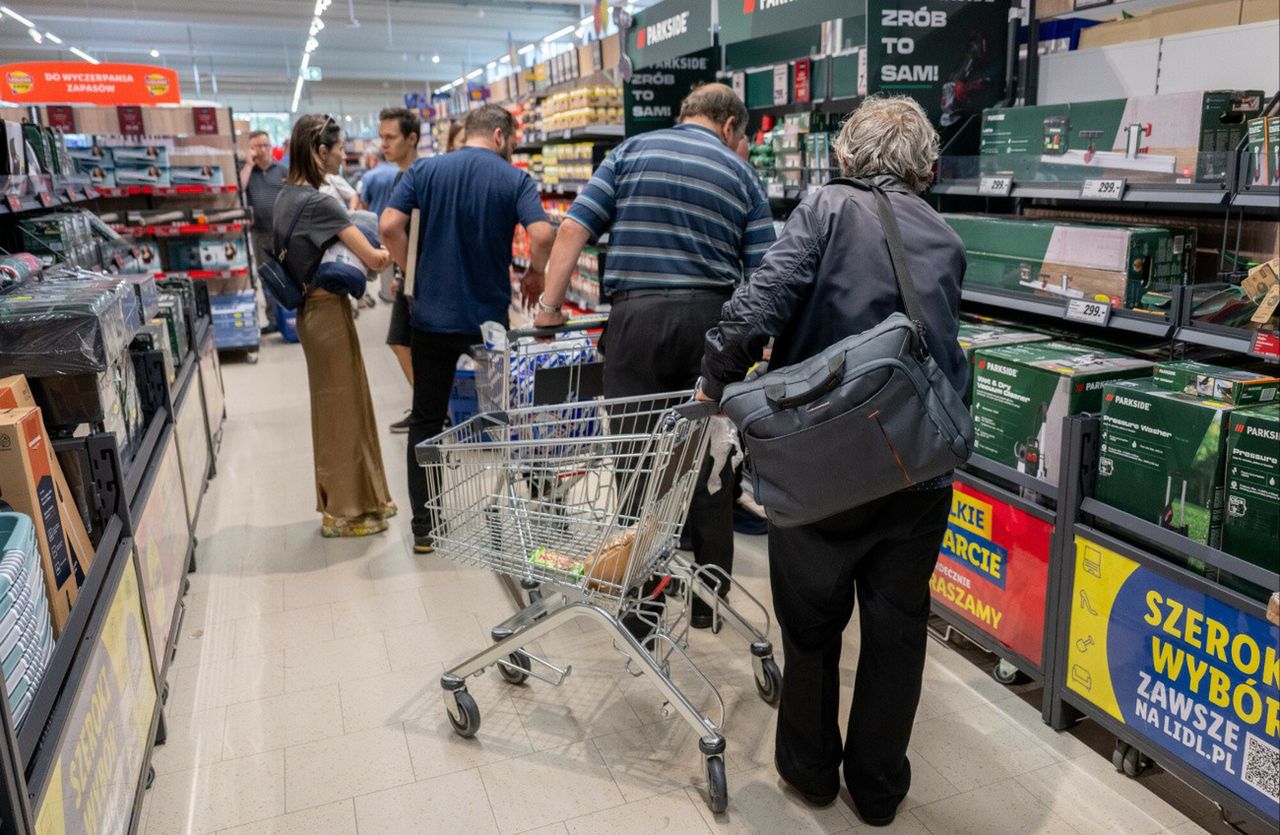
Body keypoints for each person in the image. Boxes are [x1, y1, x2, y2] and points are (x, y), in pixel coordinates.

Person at [696, 95, 967, 826]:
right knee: (897, 627)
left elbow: (758, 307)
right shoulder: (945, 234)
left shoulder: (824, 207)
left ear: (843, 159)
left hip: (822, 463)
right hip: (916, 467)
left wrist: (714, 380)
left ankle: (810, 771)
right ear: (928, 169)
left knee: (811, 625)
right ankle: (878, 788)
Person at [533, 83, 775, 629]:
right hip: (714, 329)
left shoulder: (630, 152)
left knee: (637, 465)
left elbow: (571, 228)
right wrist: (759, 345)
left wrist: (549, 307)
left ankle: (642, 603)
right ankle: (708, 607)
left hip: (636, 322)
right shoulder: (741, 174)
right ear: (732, 126)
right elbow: (765, 272)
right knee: (711, 465)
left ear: (685, 115)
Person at [381, 104, 554, 553]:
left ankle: (425, 526)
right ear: (499, 135)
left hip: (431, 318)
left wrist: (412, 270)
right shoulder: (513, 178)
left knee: (425, 419)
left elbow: (388, 225)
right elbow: (542, 234)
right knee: (511, 412)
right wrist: (535, 274)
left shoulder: (425, 171)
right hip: (488, 321)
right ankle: (535, 494)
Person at [274, 114, 397, 538]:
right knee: (345, 413)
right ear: (318, 151)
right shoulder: (320, 203)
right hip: (329, 315)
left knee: (335, 412)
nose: (345, 156)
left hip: (311, 313)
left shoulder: (286, 195)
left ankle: (354, 504)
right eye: (339, 148)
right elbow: (375, 258)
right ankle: (347, 513)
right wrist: (397, 244)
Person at [359, 107, 422, 432]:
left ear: (411, 138)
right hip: (408, 275)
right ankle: (427, 407)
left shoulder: (422, 175)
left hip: (419, 277)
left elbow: (400, 230)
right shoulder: (402, 176)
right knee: (402, 341)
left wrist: (408, 272)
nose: (383, 144)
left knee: (405, 341)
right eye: (381, 137)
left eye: (390, 137)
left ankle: (430, 411)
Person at [241, 129, 286, 334]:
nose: (263, 149)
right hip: (259, 234)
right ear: (251, 149)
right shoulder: (247, 172)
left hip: (283, 233)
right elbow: (238, 189)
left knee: (287, 276)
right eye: (257, 146)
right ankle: (274, 320)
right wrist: (249, 164)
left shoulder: (282, 171)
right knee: (267, 278)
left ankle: (290, 318)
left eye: (266, 145)